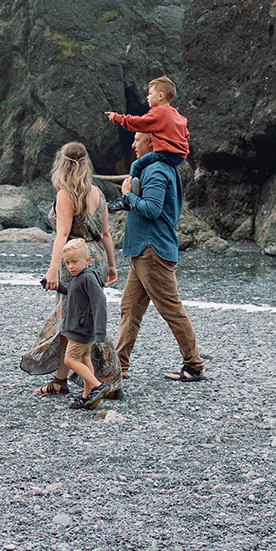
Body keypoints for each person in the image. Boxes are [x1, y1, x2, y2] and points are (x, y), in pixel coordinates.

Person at [21, 142, 123, 398]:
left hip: (74, 260)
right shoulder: (97, 192)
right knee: (76, 319)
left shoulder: (65, 194)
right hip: (94, 257)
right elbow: (107, 234)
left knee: (72, 320)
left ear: (61, 164)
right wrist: (111, 265)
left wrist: (53, 270)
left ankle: (105, 381)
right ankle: (62, 380)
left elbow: (63, 234)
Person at [112, 132, 205, 382]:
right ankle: (119, 367)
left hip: (151, 250)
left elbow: (152, 210)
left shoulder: (156, 171)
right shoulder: (160, 168)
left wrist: (128, 194)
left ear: (152, 142)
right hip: (144, 250)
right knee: (129, 309)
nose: (132, 144)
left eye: (137, 139)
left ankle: (194, 365)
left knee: (171, 309)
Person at [56, 238, 113, 410]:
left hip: (80, 329)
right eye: (67, 263)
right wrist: (58, 286)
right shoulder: (80, 276)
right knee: (84, 358)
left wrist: (101, 331)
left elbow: (100, 302)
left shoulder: (87, 278)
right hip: (83, 327)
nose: (70, 266)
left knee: (69, 359)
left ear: (87, 260)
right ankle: (86, 397)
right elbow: (74, 291)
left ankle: (97, 386)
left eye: (74, 262)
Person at [105, 75, 189, 184]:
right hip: (180, 157)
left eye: (150, 94)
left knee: (136, 165)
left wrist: (118, 118)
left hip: (166, 154)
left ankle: (130, 189)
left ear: (160, 96)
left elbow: (139, 123)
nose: (147, 97)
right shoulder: (176, 115)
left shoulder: (159, 112)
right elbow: (186, 134)